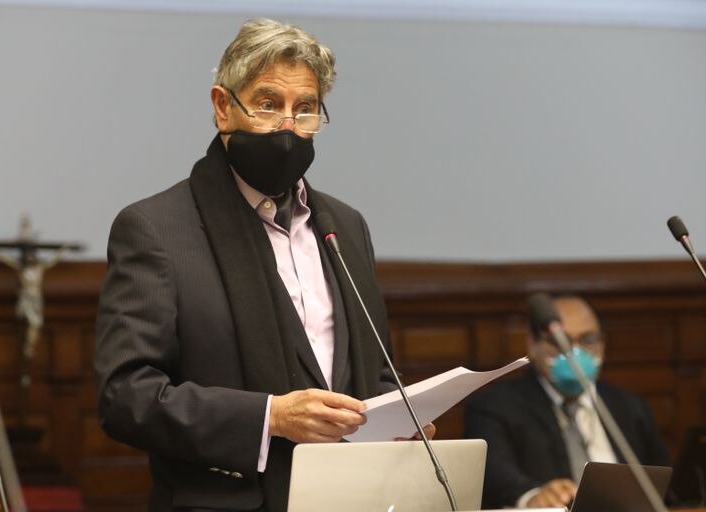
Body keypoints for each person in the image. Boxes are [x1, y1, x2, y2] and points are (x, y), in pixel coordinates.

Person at [94, 18, 432, 512]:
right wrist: (269, 417)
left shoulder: (345, 226)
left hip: (353, 497)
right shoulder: (157, 229)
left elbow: (371, 371)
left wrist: (399, 417)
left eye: (306, 109)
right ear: (222, 107)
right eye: (268, 105)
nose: (288, 128)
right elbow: (124, 395)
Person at [464, 295, 668, 509]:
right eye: (558, 341)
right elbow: (495, 476)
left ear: (603, 344)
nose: (573, 353)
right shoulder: (495, 407)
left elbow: (662, 485)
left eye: (588, 340)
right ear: (532, 345)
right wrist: (534, 497)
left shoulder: (629, 406)